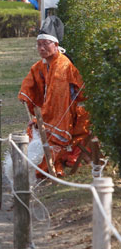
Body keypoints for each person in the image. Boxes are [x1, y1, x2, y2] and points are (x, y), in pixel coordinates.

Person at [19, 16, 91, 177]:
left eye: (45, 44)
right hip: (57, 113)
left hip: (74, 116)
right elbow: (33, 76)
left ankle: (53, 165)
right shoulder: (45, 63)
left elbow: (56, 104)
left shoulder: (62, 67)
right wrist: (25, 93)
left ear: (56, 45)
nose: (41, 48)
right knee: (32, 130)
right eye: (39, 44)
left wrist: (40, 119)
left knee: (41, 132)